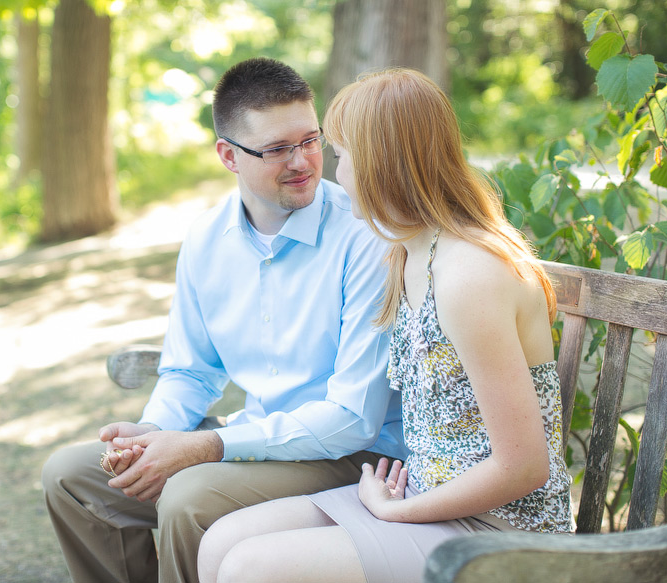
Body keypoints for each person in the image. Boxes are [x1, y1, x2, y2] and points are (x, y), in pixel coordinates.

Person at [197, 67, 575, 583]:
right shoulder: (407, 254)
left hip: (499, 529)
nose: (337, 174)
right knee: (221, 541)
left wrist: (398, 511)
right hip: (425, 493)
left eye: (342, 156)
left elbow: (523, 467)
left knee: (250, 568)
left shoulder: (469, 277)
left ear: (382, 165)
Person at [41, 58, 407, 583]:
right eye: (278, 149)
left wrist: (206, 446)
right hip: (258, 440)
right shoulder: (205, 240)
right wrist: (151, 434)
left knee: (189, 497)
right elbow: (190, 372)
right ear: (229, 156)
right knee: (71, 478)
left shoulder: (363, 235)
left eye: (310, 140)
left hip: (356, 454)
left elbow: (353, 419)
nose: (303, 161)